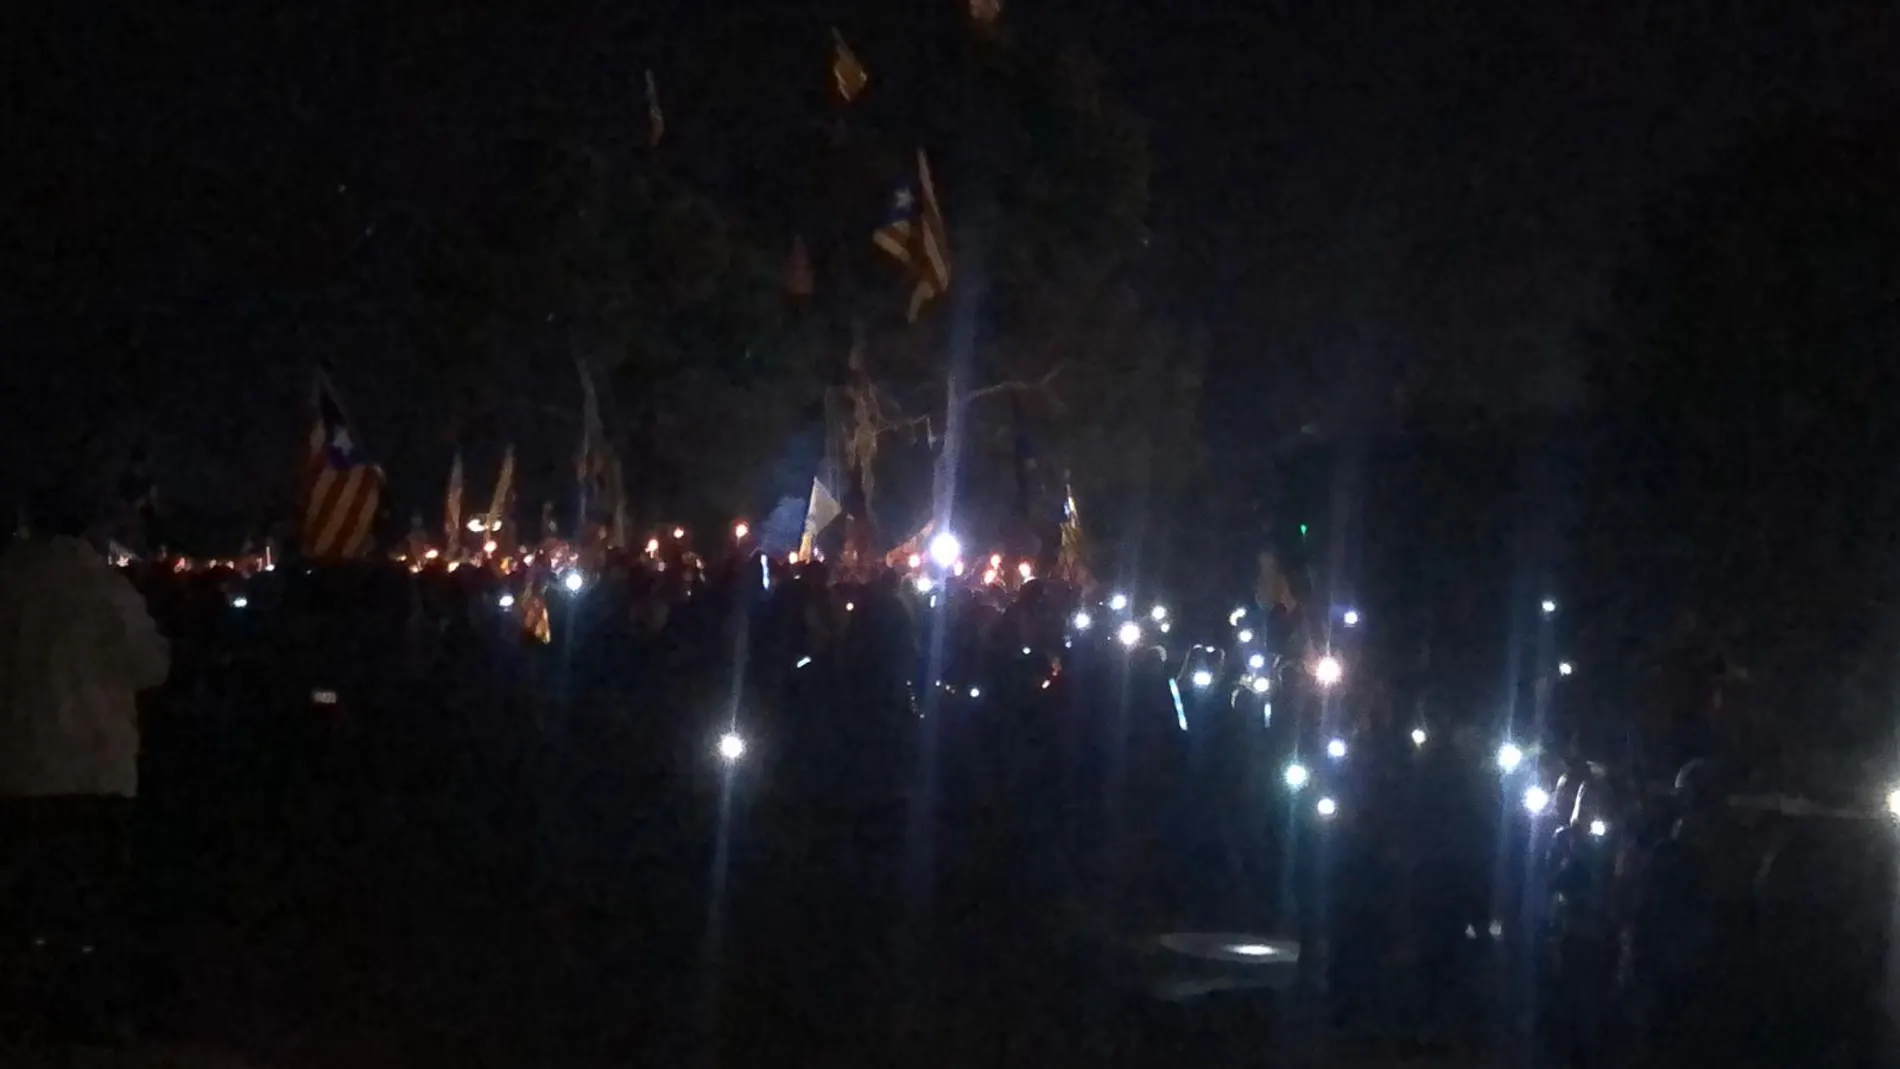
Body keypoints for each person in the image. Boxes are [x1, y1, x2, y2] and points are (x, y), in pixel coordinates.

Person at [0, 491, 169, 1044]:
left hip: (20, 765)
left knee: (28, 895)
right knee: (92, 900)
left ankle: (29, 1004)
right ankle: (84, 1011)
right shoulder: (105, 589)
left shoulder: (10, 583)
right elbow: (151, 667)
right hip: (97, 768)